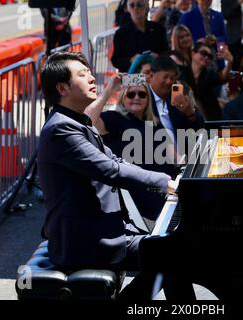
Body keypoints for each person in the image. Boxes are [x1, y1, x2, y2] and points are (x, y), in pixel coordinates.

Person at [37, 51, 186, 300]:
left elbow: (116, 161)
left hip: (104, 228)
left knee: (172, 254)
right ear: (62, 88)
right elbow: (110, 170)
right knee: (172, 255)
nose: (92, 79)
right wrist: (165, 183)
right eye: (83, 75)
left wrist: (166, 181)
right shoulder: (61, 129)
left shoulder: (77, 122)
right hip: (86, 241)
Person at [85, 75, 177, 227]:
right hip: (139, 206)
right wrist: (108, 90)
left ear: (148, 99)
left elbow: (175, 157)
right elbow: (86, 122)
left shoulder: (154, 123)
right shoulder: (113, 118)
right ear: (123, 97)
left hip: (166, 195)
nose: (136, 97)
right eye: (131, 94)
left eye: (142, 94)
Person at [147, 55, 204, 154]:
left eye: (172, 78)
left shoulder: (177, 98)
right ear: (151, 76)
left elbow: (199, 128)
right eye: (165, 77)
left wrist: (190, 112)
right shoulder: (141, 98)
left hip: (183, 160)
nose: (169, 82)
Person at [111, 0, 169, 72]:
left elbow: (167, 53)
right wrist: (131, 60)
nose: (135, 8)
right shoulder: (121, 33)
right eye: (132, 5)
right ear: (127, 8)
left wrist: (157, 57)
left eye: (139, 5)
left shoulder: (158, 29)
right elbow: (116, 60)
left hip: (155, 74)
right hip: (132, 77)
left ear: (146, 6)